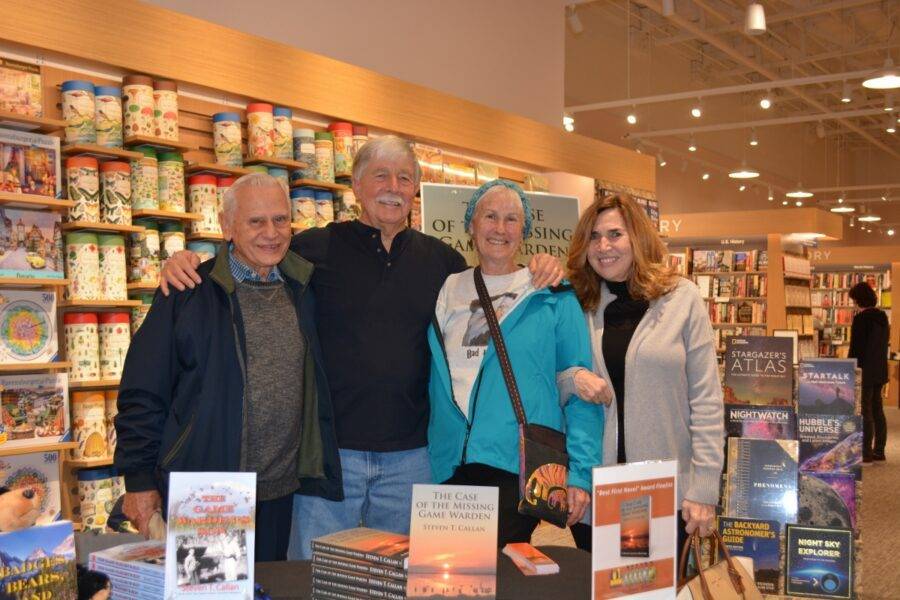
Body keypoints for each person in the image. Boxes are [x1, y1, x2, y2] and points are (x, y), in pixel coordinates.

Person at [157, 135, 565, 559]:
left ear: (415, 189)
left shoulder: (442, 263)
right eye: (381, 175)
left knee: (404, 579)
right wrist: (188, 263)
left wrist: (539, 268)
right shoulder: (312, 249)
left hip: (413, 459)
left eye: (404, 177)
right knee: (320, 578)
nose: (393, 186)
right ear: (356, 186)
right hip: (332, 460)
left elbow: (497, 288)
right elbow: (253, 252)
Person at [114, 173, 340, 561]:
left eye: (281, 220)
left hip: (283, 494)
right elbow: (142, 389)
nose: (271, 233)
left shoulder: (303, 289)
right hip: (209, 493)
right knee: (209, 593)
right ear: (227, 226)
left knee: (269, 590)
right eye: (256, 221)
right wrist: (138, 481)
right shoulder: (187, 292)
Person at [428, 179, 603, 546]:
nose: (500, 228)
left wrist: (581, 476)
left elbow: (581, 391)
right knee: (451, 582)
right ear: (471, 226)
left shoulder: (552, 294)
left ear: (524, 231)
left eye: (512, 219)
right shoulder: (448, 288)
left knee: (508, 583)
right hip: (448, 464)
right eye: (490, 216)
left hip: (518, 468)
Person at [560, 193, 724, 552]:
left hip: (661, 490)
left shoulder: (682, 299)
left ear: (638, 238)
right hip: (595, 491)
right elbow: (547, 381)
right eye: (593, 237)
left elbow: (707, 400)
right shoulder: (575, 304)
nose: (604, 246)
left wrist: (704, 488)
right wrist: (573, 380)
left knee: (649, 591)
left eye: (615, 234)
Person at [848, 281, 889, 463]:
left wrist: (851, 368)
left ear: (858, 300)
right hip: (879, 369)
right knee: (878, 409)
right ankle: (879, 450)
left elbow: (856, 349)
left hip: (864, 370)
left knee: (866, 411)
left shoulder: (861, 319)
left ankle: (865, 452)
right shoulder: (882, 317)